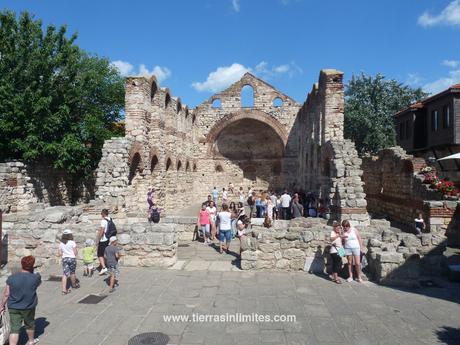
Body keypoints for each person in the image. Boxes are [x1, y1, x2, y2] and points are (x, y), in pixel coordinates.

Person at [0, 256, 41, 345]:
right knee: (30, 324)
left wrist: (2, 305)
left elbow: (7, 294)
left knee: (14, 329)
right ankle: (31, 341)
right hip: (29, 306)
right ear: (32, 266)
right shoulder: (35, 278)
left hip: (13, 307)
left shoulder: (11, 278)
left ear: (22, 264)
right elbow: (37, 285)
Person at [58, 229, 78, 294]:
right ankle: (74, 285)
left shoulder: (61, 243)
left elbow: (60, 253)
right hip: (72, 258)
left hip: (65, 259)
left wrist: (64, 253)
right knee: (72, 272)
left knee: (65, 274)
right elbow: (75, 252)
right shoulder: (72, 242)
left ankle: (64, 290)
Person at [96, 209, 114, 275]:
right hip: (109, 238)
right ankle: (108, 265)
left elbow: (102, 231)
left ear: (103, 214)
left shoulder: (103, 221)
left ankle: (104, 267)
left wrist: (98, 239)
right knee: (106, 253)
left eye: (101, 214)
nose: (101, 215)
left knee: (100, 254)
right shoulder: (110, 219)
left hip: (103, 239)